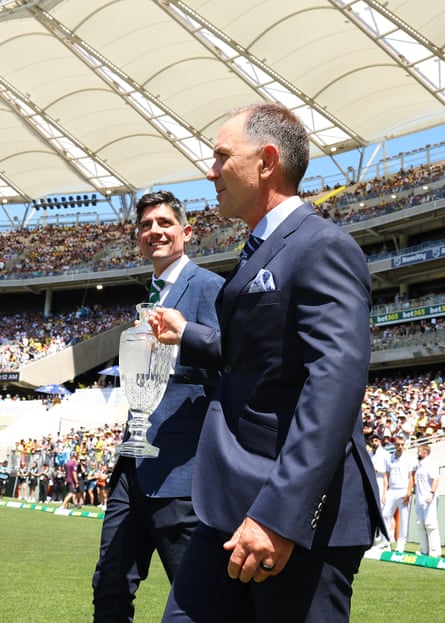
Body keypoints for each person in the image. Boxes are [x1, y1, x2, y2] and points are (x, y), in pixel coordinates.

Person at [150, 102, 384, 623]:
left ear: (266, 161)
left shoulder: (322, 245)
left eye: (221, 157)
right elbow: (258, 357)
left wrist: (281, 515)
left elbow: (335, 381)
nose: (210, 172)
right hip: (230, 505)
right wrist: (188, 336)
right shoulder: (260, 249)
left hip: (292, 519)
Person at [92, 190, 224, 622]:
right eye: (146, 226)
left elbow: (233, 355)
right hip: (132, 469)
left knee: (194, 598)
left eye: (164, 223)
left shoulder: (208, 289)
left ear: (186, 232)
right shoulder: (148, 298)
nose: (155, 232)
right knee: (109, 586)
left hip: (182, 473)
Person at [380, 436, 416, 553]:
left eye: (402, 444)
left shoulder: (409, 459)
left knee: (404, 519)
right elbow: (386, 475)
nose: (400, 447)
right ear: (394, 445)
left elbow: (411, 477)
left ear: (404, 444)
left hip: (403, 490)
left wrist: (409, 492)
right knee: (385, 515)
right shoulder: (389, 458)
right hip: (392, 490)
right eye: (398, 444)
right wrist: (385, 492)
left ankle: (401, 545)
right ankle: (386, 542)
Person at [414, 444, 442, 557]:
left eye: (419, 451)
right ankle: (424, 550)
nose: (417, 453)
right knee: (420, 524)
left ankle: (435, 551)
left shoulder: (430, 463)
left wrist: (431, 493)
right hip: (420, 499)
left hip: (429, 498)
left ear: (425, 452)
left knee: (430, 524)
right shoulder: (419, 465)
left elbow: (436, 478)